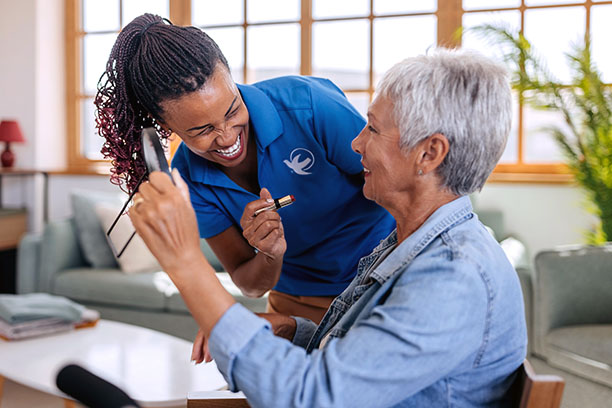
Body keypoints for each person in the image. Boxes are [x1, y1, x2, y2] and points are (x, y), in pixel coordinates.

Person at [128, 48, 527, 407]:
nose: (354, 144)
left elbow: (311, 397)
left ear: (429, 153)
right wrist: (293, 329)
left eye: (371, 128)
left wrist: (184, 262)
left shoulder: (450, 278)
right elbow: (363, 360)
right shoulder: (408, 247)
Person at [95, 13, 395, 323]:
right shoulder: (187, 179)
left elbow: (401, 187)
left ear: (231, 79)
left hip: (386, 281)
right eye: (201, 130)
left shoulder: (310, 105)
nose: (227, 137)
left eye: (232, 109)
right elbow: (248, 284)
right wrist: (270, 253)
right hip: (300, 302)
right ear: (166, 127)